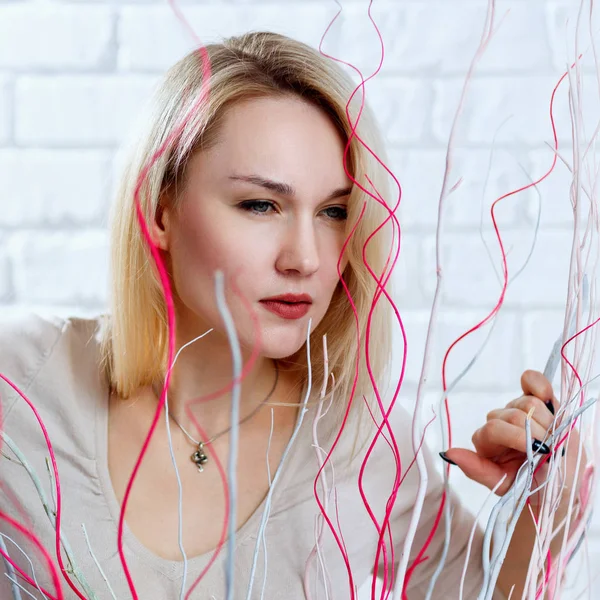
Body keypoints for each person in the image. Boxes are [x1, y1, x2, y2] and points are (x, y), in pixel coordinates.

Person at [0, 31, 581, 600]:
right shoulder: (20, 388)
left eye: (332, 211)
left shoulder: (363, 446)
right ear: (159, 209)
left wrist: (545, 512)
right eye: (261, 204)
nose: (305, 258)